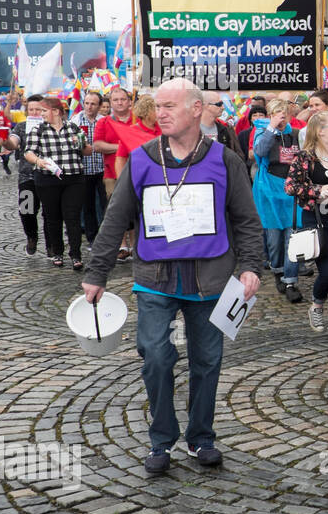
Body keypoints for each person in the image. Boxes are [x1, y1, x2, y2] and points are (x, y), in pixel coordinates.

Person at [81, 78, 264, 474]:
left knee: (207, 360)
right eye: (157, 106)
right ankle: (161, 440)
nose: (159, 113)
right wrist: (97, 272)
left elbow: (247, 220)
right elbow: (115, 220)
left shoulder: (225, 160)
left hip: (210, 278)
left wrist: (251, 266)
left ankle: (201, 438)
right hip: (155, 277)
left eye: (169, 106)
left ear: (196, 109)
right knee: (155, 355)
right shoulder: (143, 158)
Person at [286, 110, 328, 340]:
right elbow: (291, 186)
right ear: (320, 131)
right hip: (316, 218)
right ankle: (316, 304)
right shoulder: (305, 157)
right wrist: (318, 190)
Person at [24, 95, 87, 269]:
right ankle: (57, 252)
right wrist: (38, 161)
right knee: (53, 217)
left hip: (73, 178)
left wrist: (81, 143)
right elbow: (28, 152)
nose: (42, 114)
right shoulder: (38, 129)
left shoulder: (73, 128)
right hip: (47, 179)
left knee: (72, 217)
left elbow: (87, 150)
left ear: (56, 111)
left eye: (44, 110)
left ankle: (76, 254)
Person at [252, 99, 304, 302]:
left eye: (283, 113)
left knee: (293, 237)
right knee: (274, 240)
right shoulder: (262, 131)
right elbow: (260, 152)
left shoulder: (295, 133)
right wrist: (272, 128)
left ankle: (290, 280)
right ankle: (277, 270)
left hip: (291, 189)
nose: (281, 117)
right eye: (276, 113)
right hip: (270, 190)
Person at [0, 94, 47, 256]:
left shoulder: (50, 126)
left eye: (38, 110)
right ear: (27, 111)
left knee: (50, 213)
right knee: (26, 210)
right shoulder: (21, 127)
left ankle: (52, 244)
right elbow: (13, 143)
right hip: (27, 177)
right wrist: (4, 140)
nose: (35, 112)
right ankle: (31, 237)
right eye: (31, 109)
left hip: (48, 177)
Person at [71, 90, 106, 245]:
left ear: (99, 106)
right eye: (87, 103)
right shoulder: (76, 121)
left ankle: (106, 236)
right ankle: (92, 238)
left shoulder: (104, 121)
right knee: (88, 206)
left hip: (103, 169)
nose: (89, 107)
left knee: (106, 205)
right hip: (84, 169)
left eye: (93, 104)